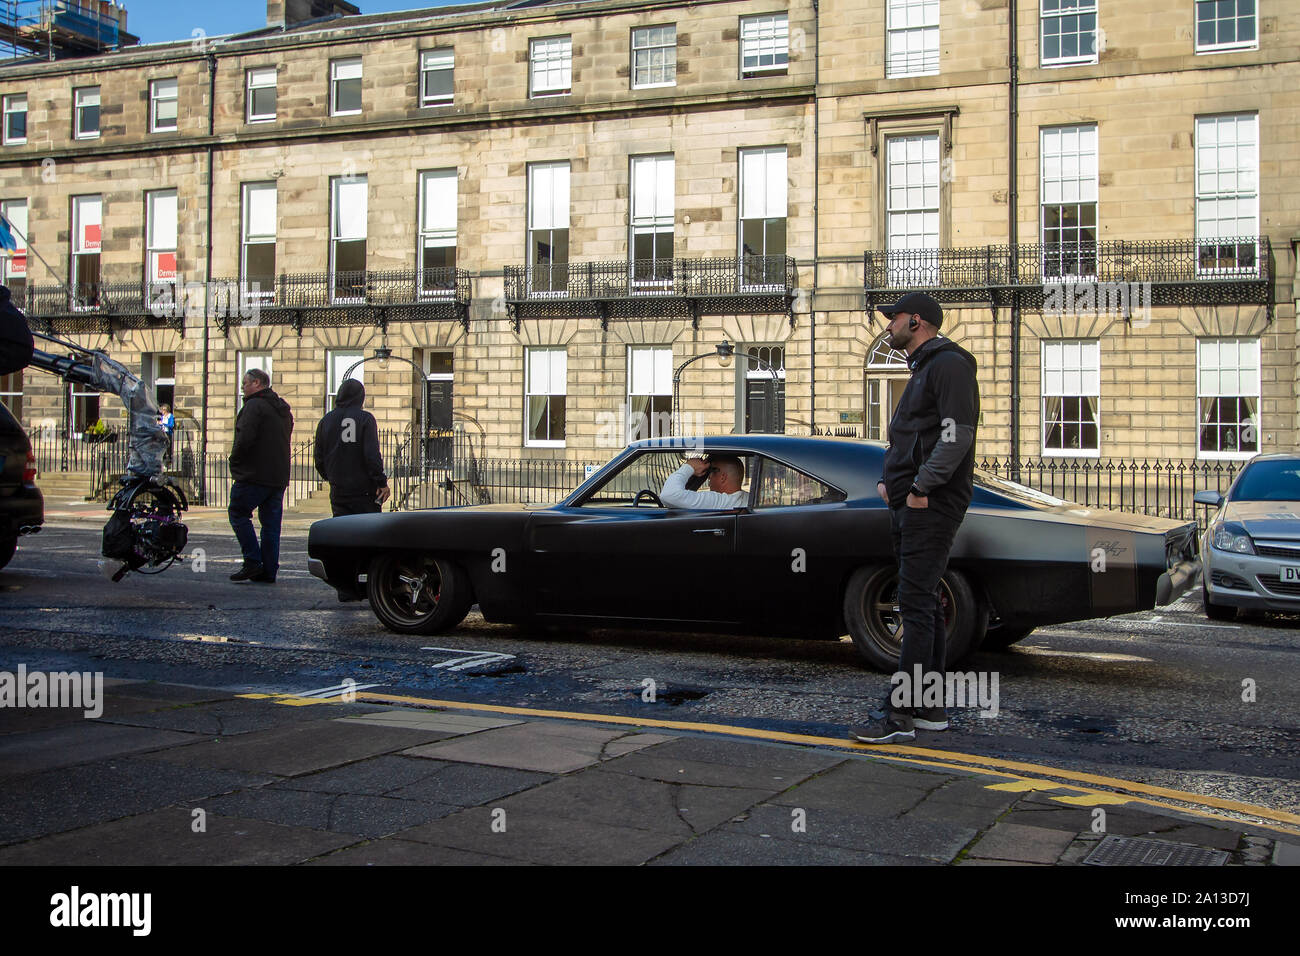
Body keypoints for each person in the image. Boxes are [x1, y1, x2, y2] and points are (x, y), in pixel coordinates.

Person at [850, 292, 979, 745]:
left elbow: (956, 437)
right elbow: (912, 438)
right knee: (923, 603)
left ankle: (899, 713)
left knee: (917, 605)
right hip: (910, 500)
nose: (888, 325)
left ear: (917, 321)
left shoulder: (950, 365)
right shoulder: (926, 366)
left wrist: (922, 488)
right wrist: (892, 483)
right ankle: (928, 709)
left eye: (895, 318)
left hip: (931, 504)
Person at [228, 368, 293, 583]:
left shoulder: (254, 406)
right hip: (278, 475)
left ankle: (253, 561)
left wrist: (234, 461)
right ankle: (268, 570)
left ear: (256, 383)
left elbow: (244, 439)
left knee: (238, 513)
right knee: (271, 526)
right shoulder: (282, 408)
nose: (242, 388)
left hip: (254, 474)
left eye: (245, 383)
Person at [313, 378, 390, 517]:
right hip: (364, 490)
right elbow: (371, 455)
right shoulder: (365, 418)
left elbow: (319, 457)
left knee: (342, 532)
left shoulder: (326, 420)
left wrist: (331, 477)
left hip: (338, 489)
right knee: (367, 532)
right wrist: (381, 482)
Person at [660, 455, 748, 509]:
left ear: (723, 477)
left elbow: (668, 495)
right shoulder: (750, 499)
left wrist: (689, 467)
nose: (709, 477)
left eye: (711, 471)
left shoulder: (718, 501)